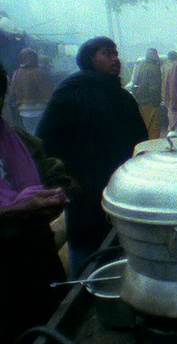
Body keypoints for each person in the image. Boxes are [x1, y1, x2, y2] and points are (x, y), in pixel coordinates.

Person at [37, 36, 148, 278]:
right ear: (89, 59)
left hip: (122, 187)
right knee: (86, 250)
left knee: (122, 245)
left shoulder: (122, 96)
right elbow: (44, 140)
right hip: (84, 188)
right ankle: (81, 294)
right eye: (107, 54)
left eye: (116, 53)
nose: (115, 59)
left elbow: (140, 140)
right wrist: (65, 178)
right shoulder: (69, 93)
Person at [0, 59, 69, 343]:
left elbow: (48, 169)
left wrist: (55, 191)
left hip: (36, 262)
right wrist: (15, 209)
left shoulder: (15, 138)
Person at [9, 47, 53, 134]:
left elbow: (12, 91)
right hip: (40, 109)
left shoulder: (16, 73)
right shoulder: (39, 73)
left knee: (30, 133)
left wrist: (14, 106)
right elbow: (47, 92)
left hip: (24, 111)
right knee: (39, 133)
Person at [132, 48, 163, 139]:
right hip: (151, 103)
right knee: (153, 130)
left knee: (143, 128)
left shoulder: (140, 67)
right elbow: (154, 88)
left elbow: (134, 83)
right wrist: (156, 102)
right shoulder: (154, 68)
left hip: (140, 103)